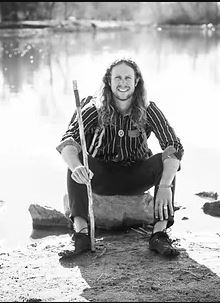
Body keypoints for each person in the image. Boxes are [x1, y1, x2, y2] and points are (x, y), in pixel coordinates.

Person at [56, 58, 184, 257]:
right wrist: (76, 167)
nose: (122, 82)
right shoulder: (94, 108)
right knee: (78, 158)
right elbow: (68, 142)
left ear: (136, 81)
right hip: (99, 177)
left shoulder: (149, 109)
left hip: (136, 177)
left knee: (164, 161)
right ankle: (81, 234)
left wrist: (166, 185)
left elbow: (173, 147)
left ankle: (159, 234)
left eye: (127, 77)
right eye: (117, 77)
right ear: (109, 81)